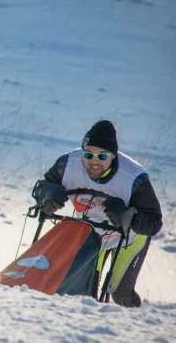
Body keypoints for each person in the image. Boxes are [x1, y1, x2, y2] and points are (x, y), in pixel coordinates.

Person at [37, 119, 163, 307]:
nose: (94, 162)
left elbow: (154, 223)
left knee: (120, 295)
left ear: (113, 155)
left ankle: (135, 329)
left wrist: (129, 217)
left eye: (102, 157)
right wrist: (49, 196)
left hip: (129, 238)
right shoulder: (68, 164)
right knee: (86, 294)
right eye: (88, 155)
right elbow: (45, 184)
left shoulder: (133, 178)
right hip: (92, 235)